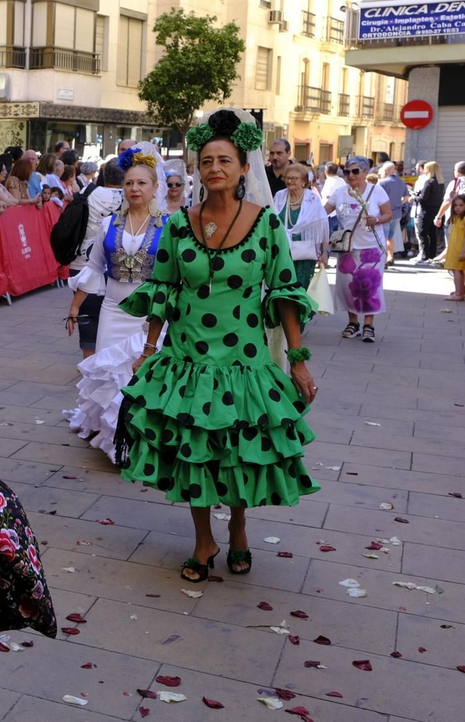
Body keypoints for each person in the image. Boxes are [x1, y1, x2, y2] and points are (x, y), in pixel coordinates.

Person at [115, 108, 317, 583]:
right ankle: (204, 539)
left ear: (245, 167)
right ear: (197, 169)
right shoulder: (180, 225)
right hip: (189, 359)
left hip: (243, 363)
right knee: (195, 451)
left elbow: (285, 294)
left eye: (225, 160)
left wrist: (298, 362)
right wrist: (148, 351)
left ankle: (240, 527)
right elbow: (163, 290)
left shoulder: (266, 224)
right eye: (206, 161)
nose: (215, 169)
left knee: (240, 450)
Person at [64, 147, 166, 460]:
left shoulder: (170, 226)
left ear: (154, 188)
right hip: (112, 309)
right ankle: (113, 442)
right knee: (111, 375)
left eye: (141, 183)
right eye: (129, 183)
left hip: (150, 316)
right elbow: (94, 266)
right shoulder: (108, 224)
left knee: (144, 376)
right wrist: (76, 305)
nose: (135, 188)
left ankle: (142, 438)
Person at [325, 155, 392, 342]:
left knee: (370, 288)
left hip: (371, 248)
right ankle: (352, 323)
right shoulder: (340, 192)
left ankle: (369, 325)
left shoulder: (376, 191)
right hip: (347, 247)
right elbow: (324, 212)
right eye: (347, 171)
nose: (351, 175)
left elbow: (388, 213)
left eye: (355, 171)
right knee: (348, 287)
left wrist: (377, 220)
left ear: (365, 172)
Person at [67, 160, 126, 359]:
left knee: (88, 316)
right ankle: (110, 360)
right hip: (120, 265)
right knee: (117, 316)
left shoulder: (87, 194)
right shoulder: (133, 198)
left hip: (82, 261)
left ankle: (89, 361)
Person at [273, 162, 329, 289]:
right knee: (281, 287)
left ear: (304, 181)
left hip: (305, 254)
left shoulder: (312, 199)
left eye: (294, 178)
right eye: (287, 178)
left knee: (300, 287)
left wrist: (325, 252)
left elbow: (323, 226)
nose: (290, 181)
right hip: (282, 251)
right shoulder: (279, 196)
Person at [444, 194, 465, 300]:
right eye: (455, 205)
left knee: (457, 269)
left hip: (461, 247)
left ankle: (459, 294)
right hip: (455, 246)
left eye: (461, 205)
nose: (458, 208)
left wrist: (464, 251)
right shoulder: (456, 218)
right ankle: (460, 290)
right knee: (456, 269)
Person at [413, 161, 445, 263]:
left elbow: (423, 198)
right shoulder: (440, 182)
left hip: (426, 210)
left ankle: (424, 255)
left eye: (426, 169)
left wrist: (414, 198)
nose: (425, 171)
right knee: (432, 233)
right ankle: (431, 254)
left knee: (422, 232)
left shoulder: (429, 182)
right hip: (436, 209)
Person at [377, 161, 409, 263]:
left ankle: (385, 258)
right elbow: (406, 197)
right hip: (397, 213)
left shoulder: (382, 183)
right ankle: (391, 257)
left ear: (386, 171)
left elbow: (377, 198)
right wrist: (399, 203)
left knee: (384, 237)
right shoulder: (401, 182)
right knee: (390, 237)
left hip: (385, 213)